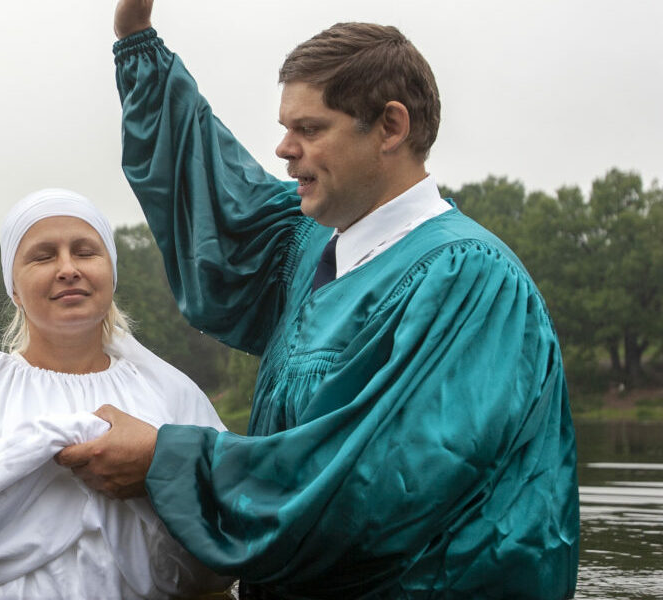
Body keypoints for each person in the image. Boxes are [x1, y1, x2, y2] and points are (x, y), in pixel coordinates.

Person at [55, 2, 580, 598]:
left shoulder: (471, 284)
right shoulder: (308, 244)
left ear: (390, 127)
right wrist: (137, 43)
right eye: (286, 127)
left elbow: (377, 481)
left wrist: (164, 461)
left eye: (310, 129)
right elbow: (215, 190)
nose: (283, 149)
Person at [0, 188, 233, 599]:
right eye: (43, 256)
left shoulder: (170, 390)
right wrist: (61, 436)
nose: (68, 268)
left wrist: (149, 473)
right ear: (14, 289)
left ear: (111, 274)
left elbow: (221, 551)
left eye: (85, 251)